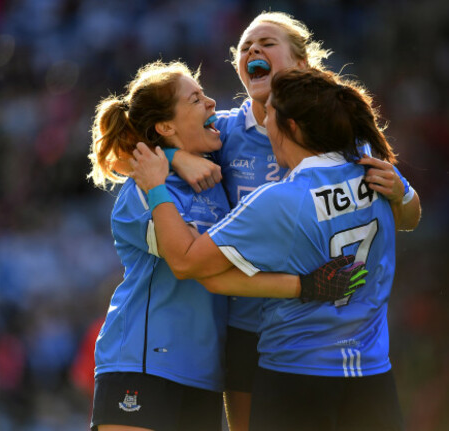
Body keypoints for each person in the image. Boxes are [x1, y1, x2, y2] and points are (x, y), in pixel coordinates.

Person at [161, 11, 421, 431]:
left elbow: (407, 218)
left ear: (302, 63)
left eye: (266, 43)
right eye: (245, 47)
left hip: (321, 331)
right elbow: (131, 147)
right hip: (249, 322)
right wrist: (176, 155)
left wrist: (401, 193)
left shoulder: (343, 133)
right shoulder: (222, 132)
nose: (253, 51)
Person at [88, 60, 366, 431]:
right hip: (141, 365)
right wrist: (303, 286)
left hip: (204, 376)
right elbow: (193, 262)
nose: (211, 104)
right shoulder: (144, 190)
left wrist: (176, 156)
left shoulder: (214, 179)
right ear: (166, 126)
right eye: (195, 99)